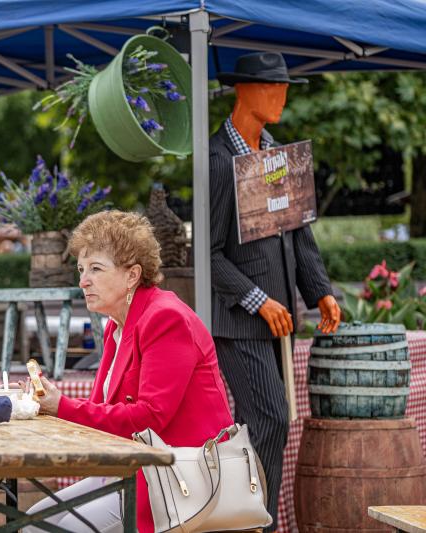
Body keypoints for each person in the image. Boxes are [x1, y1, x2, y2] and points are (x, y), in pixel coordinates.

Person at [24, 210, 234, 533]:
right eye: (81, 269)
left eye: (96, 269)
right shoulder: (117, 325)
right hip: (137, 470)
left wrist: (61, 406)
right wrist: (45, 404)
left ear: (132, 275)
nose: (83, 281)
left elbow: (149, 418)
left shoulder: (165, 318)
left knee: (55, 529)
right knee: (34, 522)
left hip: (181, 479)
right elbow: (102, 412)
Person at [210, 51, 341, 530]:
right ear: (244, 90)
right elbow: (206, 255)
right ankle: (249, 523)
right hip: (238, 321)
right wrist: (257, 300)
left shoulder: (278, 155)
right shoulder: (216, 161)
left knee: (264, 425)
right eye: (273, 86)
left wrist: (320, 291)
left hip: (281, 320)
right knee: (269, 421)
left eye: (286, 86)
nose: (282, 95)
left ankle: (244, 519)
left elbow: (299, 233)